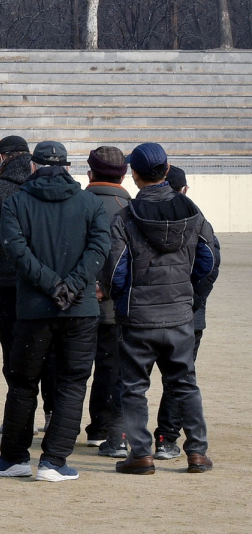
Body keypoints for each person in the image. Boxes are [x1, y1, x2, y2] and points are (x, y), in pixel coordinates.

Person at [0, 141, 110, 483]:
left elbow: (15, 250)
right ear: (68, 167)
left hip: (35, 307)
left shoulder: (16, 202)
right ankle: (54, 460)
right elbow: (100, 247)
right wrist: (72, 284)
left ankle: (14, 457)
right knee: (71, 383)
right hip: (79, 307)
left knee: (23, 382)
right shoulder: (90, 203)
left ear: (35, 166)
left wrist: (52, 284)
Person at [105, 144, 217, 475]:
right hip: (180, 315)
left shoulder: (125, 217)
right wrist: (191, 295)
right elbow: (209, 261)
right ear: (167, 170)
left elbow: (115, 271)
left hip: (138, 318)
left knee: (134, 387)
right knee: (184, 383)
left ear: (134, 175)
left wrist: (123, 298)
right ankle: (196, 452)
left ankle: (141, 454)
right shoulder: (193, 211)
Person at [0, 136, 57, 432]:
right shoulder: (44, 187)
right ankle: (51, 412)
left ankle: (21, 415)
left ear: (2, 157)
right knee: (46, 348)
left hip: (7, 277)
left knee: (12, 348)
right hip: (44, 276)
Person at [153, 165, 220, 461]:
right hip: (186, 314)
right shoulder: (198, 220)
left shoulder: (135, 215)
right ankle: (168, 439)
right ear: (184, 190)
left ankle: (121, 436)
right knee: (180, 378)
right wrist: (192, 301)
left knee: (130, 379)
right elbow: (210, 265)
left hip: (145, 311)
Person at [81, 146, 132, 457]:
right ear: (124, 175)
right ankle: (100, 428)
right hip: (116, 307)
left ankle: (63, 424)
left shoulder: (76, 204)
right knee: (110, 369)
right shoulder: (131, 210)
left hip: (75, 301)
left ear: (90, 173)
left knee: (71, 368)